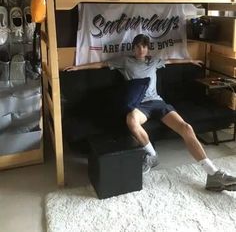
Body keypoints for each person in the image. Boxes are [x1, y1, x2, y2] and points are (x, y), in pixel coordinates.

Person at [65, 34, 236, 192]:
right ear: (133, 48)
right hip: (140, 105)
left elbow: (170, 60)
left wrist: (191, 60)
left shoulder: (154, 61)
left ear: (148, 49)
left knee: (186, 127)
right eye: (138, 47)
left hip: (158, 103)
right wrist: (77, 67)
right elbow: (100, 64)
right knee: (131, 120)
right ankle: (152, 156)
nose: (141, 50)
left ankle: (213, 174)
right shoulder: (125, 61)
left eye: (144, 47)